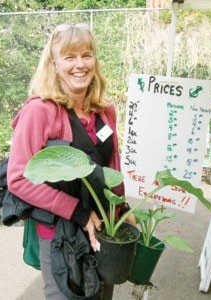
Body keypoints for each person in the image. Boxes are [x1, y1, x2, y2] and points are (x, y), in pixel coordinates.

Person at [7, 23, 134, 299]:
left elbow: (113, 166)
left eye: (87, 55)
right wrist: (77, 211)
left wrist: (121, 209)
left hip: (101, 227)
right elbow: (17, 178)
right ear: (54, 63)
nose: (80, 65)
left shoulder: (105, 110)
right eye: (69, 57)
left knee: (101, 294)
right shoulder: (40, 111)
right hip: (59, 232)